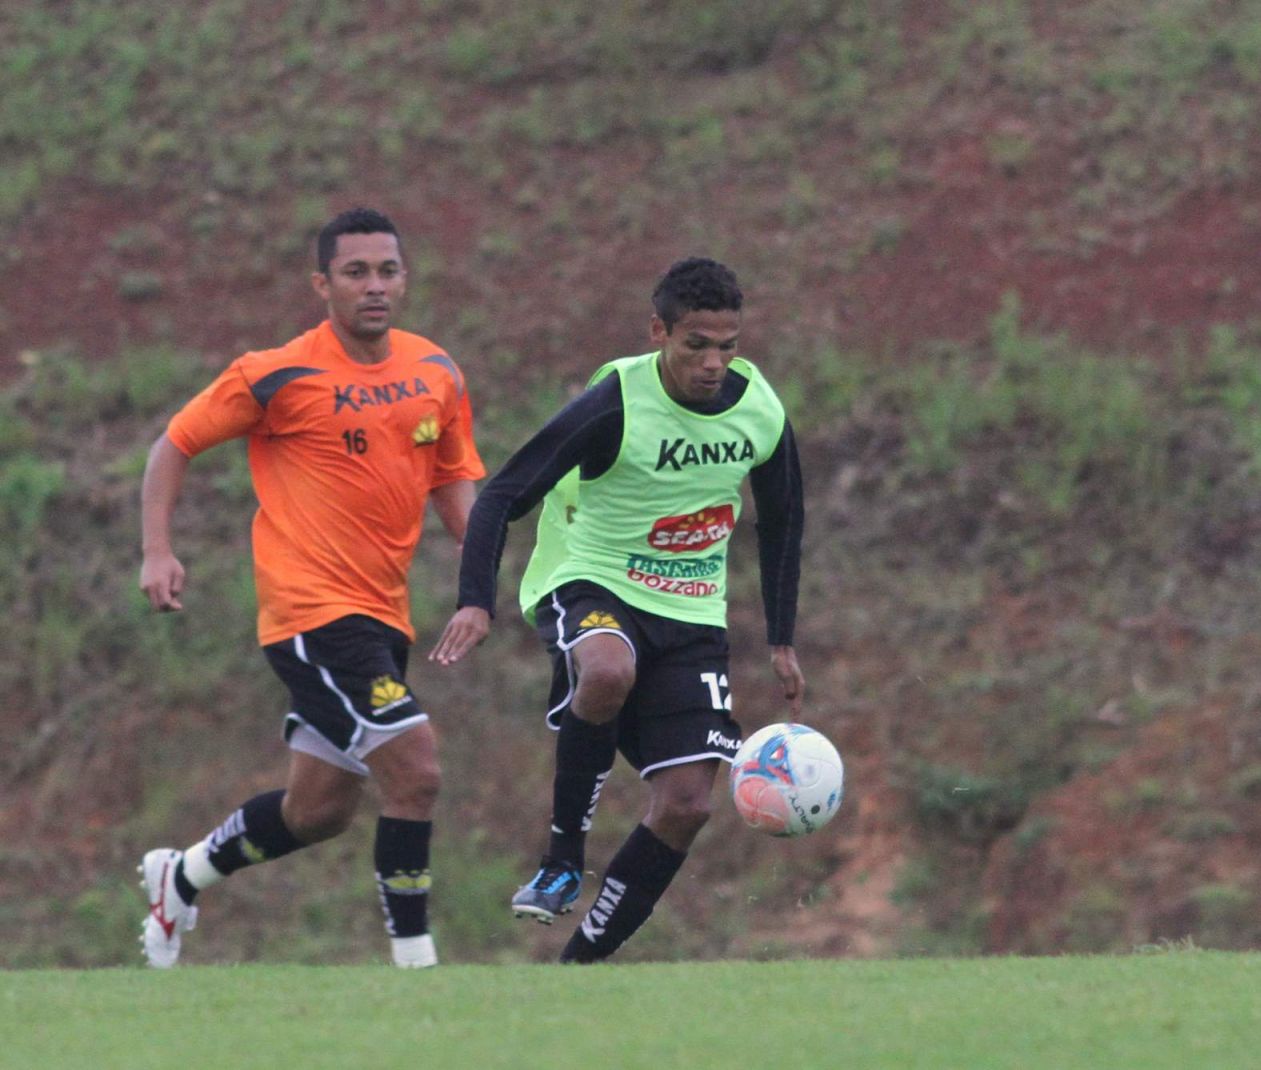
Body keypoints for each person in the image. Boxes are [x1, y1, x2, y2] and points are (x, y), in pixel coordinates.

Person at [136, 207, 485, 968]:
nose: (374, 286)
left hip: (384, 616)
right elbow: (175, 444)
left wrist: (483, 575)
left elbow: (453, 477)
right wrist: (157, 551)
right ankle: (417, 964)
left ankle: (182, 876)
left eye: (387, 270)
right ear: (322, 284)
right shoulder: (276, 374)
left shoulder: (436, 372)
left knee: (318, 810)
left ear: (405, 279)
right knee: (416, 770)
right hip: (310, 614)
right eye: (355, 272)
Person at [430, 257, 805, 963]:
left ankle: (579, 968)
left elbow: (784, 520)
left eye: (728, 346)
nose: (714, 363)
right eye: (696, 344)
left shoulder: (759, 409)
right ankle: (561, 862)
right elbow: (503, 494)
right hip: (592, 581)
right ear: (658, 332)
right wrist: (475, 602)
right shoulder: (617, 403)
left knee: (688, 805)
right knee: (605, 671)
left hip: (693, 614)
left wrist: (781, 638)